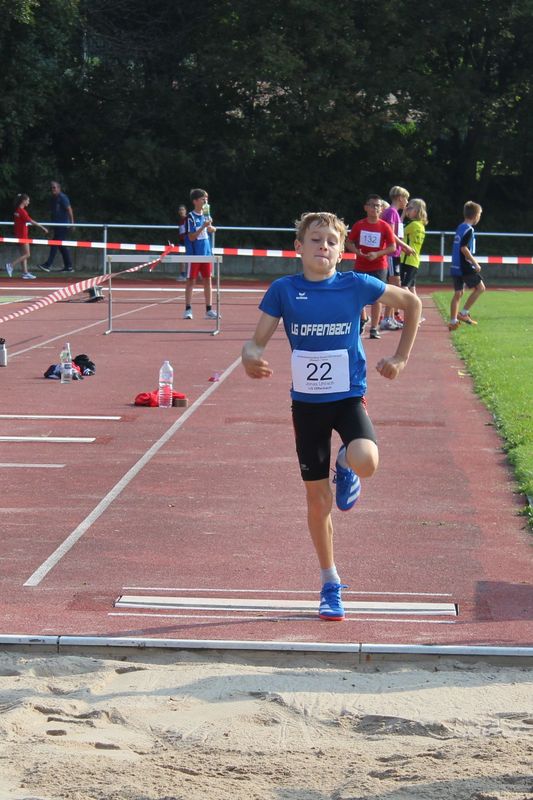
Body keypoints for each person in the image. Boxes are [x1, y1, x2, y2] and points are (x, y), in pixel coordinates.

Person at [241, 212, 421, 621]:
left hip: (348, 398)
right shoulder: (284, 290)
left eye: (332, 241)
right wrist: (250, 357)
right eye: (315, 239)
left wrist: (400, 357)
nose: (323, 246)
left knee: (366, 461)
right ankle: (330, 582)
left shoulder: (356, 285)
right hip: (307, 407)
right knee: (317, 500)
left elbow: (412, 303)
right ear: (299, 247)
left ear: (342, 252)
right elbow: (255, 343)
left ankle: (346, 462)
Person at [345, 194, 396, 340]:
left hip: (379, 266)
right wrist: (357, 252)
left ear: (381, 209)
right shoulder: (359, 225)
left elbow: (392, 247)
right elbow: (349, 242)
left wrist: (377, 254)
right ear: (366, 208)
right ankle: (362, 318)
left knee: (377, 296)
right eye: (372, 205)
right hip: (361, 265)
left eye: (378, 205)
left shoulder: (384, 226)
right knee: (358, 295)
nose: (375, 208)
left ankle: (374, 328)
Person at [448, 201, 485, 330]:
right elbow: (464, 248)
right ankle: (463, 313)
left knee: (458, 293)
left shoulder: (460, 227)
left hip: (455, 266)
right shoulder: (469, 229)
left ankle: (453, 321)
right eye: (479, 215)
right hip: (464, 266)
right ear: (475, 216)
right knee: (480, 288)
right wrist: (475, 263)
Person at [183, 188, 219, 320]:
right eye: (203, 199)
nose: (206, 201)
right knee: (191, 280)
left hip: (206, 252)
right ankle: (188, 309)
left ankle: (209, 310)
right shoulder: (190, 217)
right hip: (194, 254)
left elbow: (210, 229)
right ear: (195, 201)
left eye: (207, 199)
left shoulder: (206, 214)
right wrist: (203, 226)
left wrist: (212, 228)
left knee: (208, 280)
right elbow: (191, 237)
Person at [380, 186, 413, 330]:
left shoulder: (395, 214)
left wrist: (402, 246)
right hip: (391, 254)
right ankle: (386, 318)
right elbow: (391, 234)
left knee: (395, 284)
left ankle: (390, 317)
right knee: (394, 284)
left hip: (396, 253)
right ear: (400, 198)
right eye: (406, 198)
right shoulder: (391, 212)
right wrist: (405, 245)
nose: (407, 202)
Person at [5, 194, 48, 280]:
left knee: (24, 254)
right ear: (23, 201)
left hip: (19, 234)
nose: (29, 202)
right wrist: (42, 227)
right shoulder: (22, 211)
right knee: (27, 254)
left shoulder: (17, 210)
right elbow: (31, 221)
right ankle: (11, 265)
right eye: (28, 200)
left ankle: (25, 273)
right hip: (23, 235)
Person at [37, 180, 75, 273]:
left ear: (59, 188)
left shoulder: (62, 197)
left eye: (54, 187)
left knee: (55, 243)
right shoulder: (54, 199)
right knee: (61, 246)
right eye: (51, 188)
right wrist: (51, 226)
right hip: (56, 225)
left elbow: (69, 209)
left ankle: (48, 265)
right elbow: (54, 213)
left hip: (63, 225)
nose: (52, 189)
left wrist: (72, 223)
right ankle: (69, 266)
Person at [400, 198, 428, 297]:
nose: (407, 210)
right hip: (414, 261)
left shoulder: (412, 225)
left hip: (407, 260)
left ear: (416, 211)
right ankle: (417, 307)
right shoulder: (421, 225)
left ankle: (412, 305)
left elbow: (398, 232)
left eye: (409, 208)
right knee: (412, 287)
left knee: (403, 287)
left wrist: (402, 215)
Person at [176, 204, 188, 281]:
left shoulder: (188, 219)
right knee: (181, 258)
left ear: (185, 211)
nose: (181, 211)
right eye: (180, 210)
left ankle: (192, 274)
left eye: (183, 209)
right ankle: (182, 275)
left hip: (188, 241)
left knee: (190, 258)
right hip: (181, 242)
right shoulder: (180, 221)